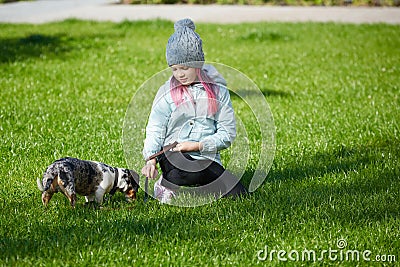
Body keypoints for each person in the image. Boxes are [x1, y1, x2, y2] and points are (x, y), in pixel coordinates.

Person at [141, 18, 248, 204]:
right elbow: (155, 128)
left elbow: (227, 133)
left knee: (239, 194)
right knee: (186, 169)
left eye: (185, 67)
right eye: (174, 69)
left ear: (198, 64)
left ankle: (193, 180)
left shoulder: (219, 91)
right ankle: (166, 184)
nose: (180, 74)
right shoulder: (166, 92)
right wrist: (150, 159)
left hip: (206, 157)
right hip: (174, 155)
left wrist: (197, 145)